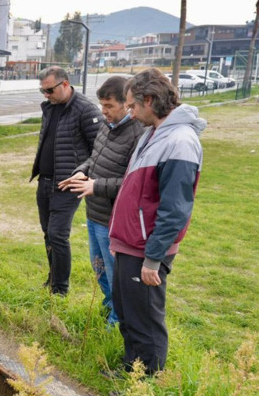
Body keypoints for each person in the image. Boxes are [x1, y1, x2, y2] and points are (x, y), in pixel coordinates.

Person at [108, 68, 206, 374]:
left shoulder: (180, 141)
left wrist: (153, 259)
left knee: (145, 320)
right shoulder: (154, 133)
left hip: (147, 249)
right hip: (132, 244)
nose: (131, 113)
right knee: (127, 312)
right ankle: (131, 371)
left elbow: (175, 209)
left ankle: (146, 385)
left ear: (149, 100)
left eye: (133, 106)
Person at [58, 76, 144, 324]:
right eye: (101, 105)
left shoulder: (139, 134)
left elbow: (134, 183)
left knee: (116, 274)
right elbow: (94, 159)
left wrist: (96, 185)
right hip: (94, 213)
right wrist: (81, 171)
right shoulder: (107, 126)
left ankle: (117, 322)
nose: (103, 111)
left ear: (126, 104)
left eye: (108, 106)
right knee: (100, 271)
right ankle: (109, 308)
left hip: (114, 219)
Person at [30, 66, 101, 295]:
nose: (46, 95)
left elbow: (99, 150)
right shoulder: (50, 108)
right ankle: (53, 280)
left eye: (50, 90)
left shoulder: (85, 110)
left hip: (67, 184)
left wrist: (81, 175)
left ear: (66, 84)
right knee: (48, 233)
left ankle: (60, 290)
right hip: (45, 181)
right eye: (43, 91)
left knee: (58, 235)